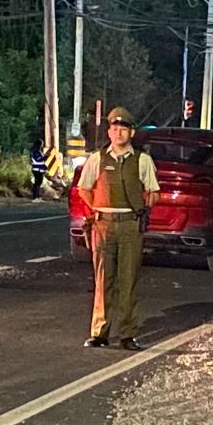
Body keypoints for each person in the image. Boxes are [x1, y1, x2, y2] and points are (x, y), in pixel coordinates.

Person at [76, 106, 160, 351]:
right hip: (102, 225)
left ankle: (127, 334)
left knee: (128, 280)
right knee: (103, 280)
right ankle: (99, 332)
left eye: (123, 128)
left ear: (131, 133)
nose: (118, 133)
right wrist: (96, 209)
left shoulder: (142, 160)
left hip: (129, 226)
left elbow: (154, 192)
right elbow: (84, 188)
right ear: (109, 132)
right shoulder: (97, 159)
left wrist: (141, 206)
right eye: (114, 128)